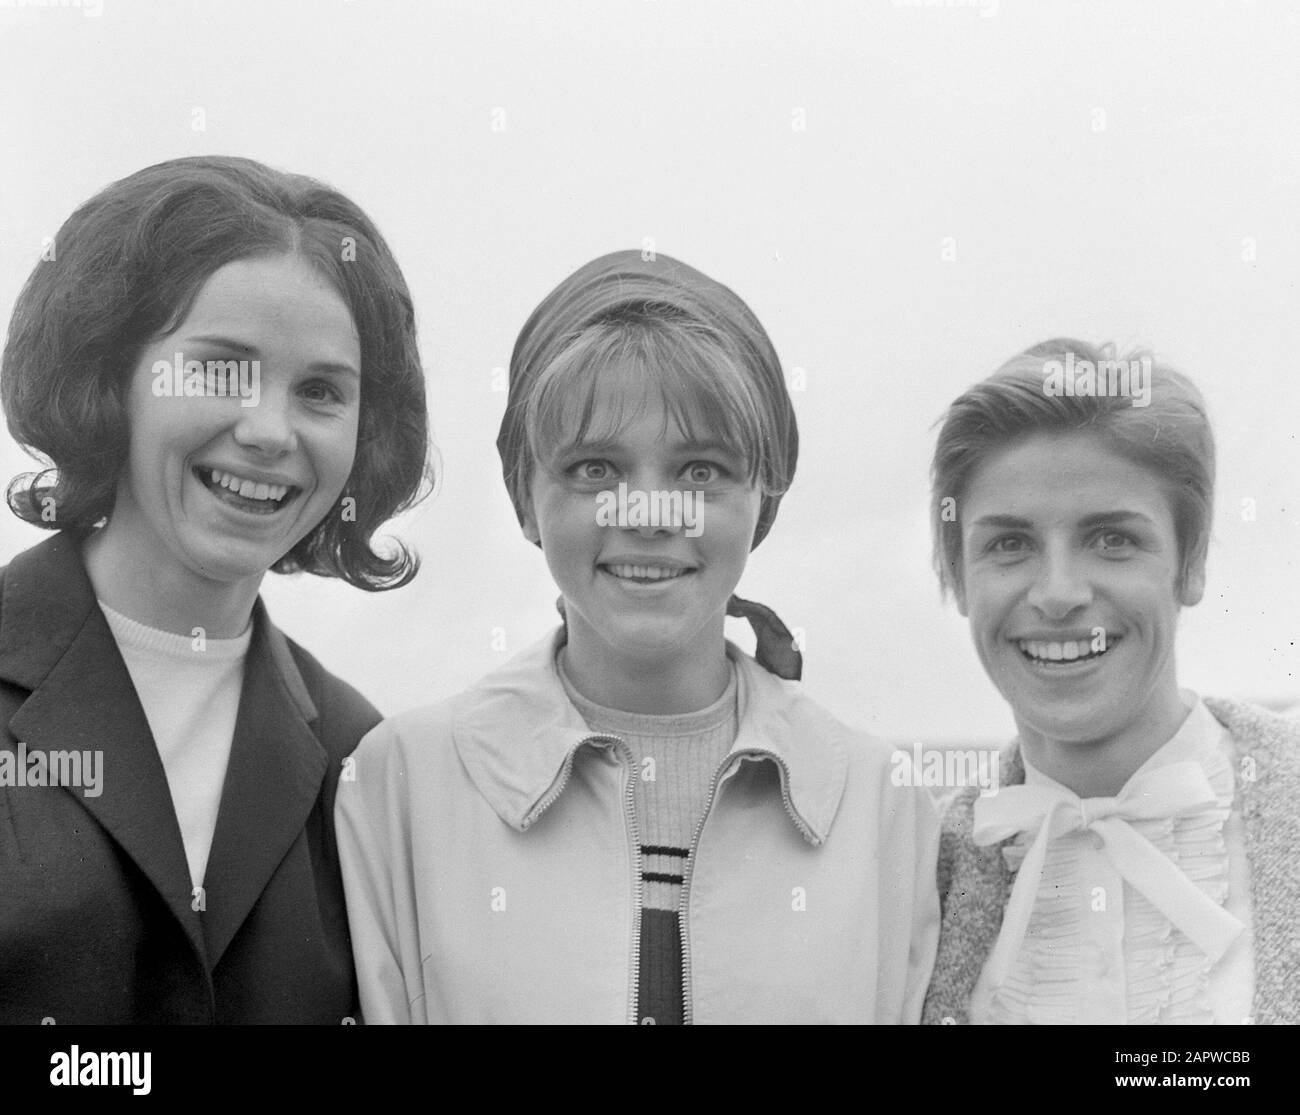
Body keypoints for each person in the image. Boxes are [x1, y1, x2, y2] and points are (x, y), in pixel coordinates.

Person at [336, 249, 939, 1024]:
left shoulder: (879, 802)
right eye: (594, 468)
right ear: (525, 498)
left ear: (765, 498)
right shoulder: (399, 782)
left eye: (699, 471)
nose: (647, 513)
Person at [0, 155, 430, 1023]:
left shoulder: (363, 757)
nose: (269, 431)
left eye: (320, 391)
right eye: (220, 369)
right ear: (106, 376)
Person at [921, 338, 1299, 1025]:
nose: (1059, 592)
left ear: (1189, 564)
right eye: (1009, 543)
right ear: (959, 579)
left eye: (1113, 539)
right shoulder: (915, 872)